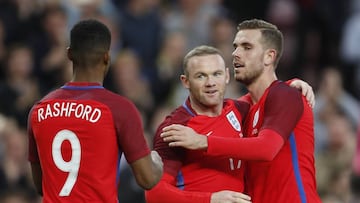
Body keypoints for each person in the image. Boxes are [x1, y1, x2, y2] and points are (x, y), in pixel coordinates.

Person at [161, 19, 321, 203]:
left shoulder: (286, 95)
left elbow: (267, 149)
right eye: (235, 46)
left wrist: (202, 141)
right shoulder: (242, 108)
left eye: (247, 47)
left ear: (269, 56)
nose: (236, 54)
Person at [27, 19, 163, 203]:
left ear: (69, 54)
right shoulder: (119, 109)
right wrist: (157, 163)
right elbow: (147, 179)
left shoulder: (39, 110)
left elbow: (40, 184)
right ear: (107, 57)